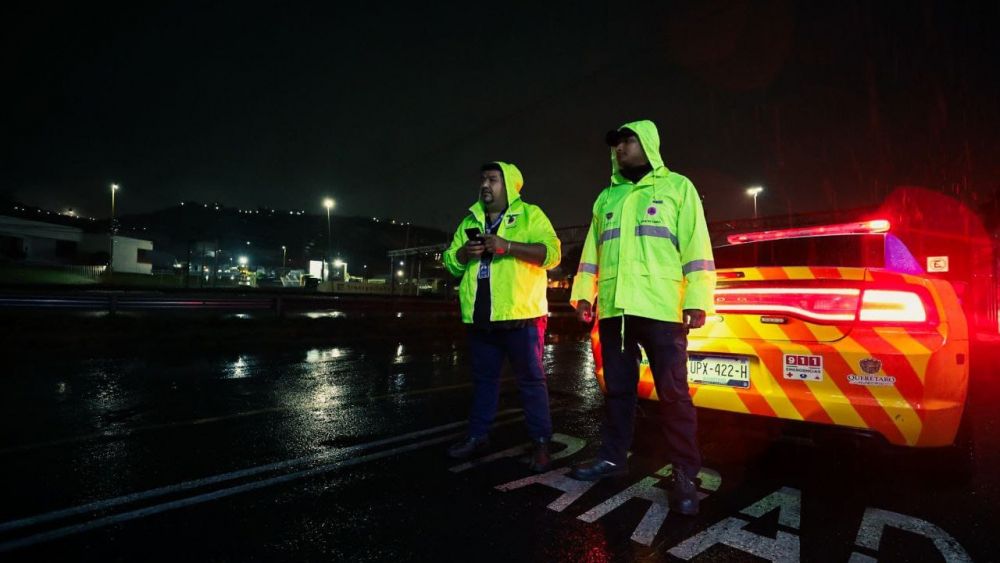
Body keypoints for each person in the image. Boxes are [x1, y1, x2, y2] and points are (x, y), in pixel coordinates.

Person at [568, 120, 716, 516]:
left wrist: (697, 299)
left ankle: (686, 473)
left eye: (627, 141)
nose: (619, 148)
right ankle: (614, 459)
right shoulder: (606, 199)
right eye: (615, 143)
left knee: (674, 395)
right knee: (618, 393)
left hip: (662, 308)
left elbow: (696, 248)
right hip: (615, 309)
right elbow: (591, 253)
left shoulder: (677, 188)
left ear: (647, 143)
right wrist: (584, 295)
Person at [442, 161, 562, 472]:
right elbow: (451, 264)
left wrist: (506, 246)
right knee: (483, 382)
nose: (485, 185)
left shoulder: (530, 215)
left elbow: (552, 254)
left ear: (508, 185)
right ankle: (478, 436)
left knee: (531, 382)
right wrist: (463, 254)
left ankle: (540, 443)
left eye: (493, 180)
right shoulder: (470, 219)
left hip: (522, 317)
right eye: (482, 179)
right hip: (481, 317)